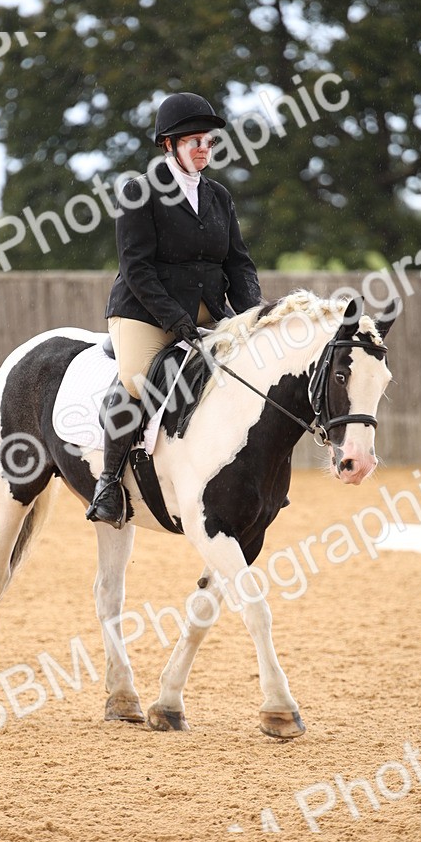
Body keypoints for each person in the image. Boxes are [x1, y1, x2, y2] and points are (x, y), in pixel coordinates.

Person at [85, 91, 263, 528]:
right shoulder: (139, 192)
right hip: (143, 311)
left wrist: (257, 317)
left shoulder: (219, 196)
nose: (204, 149)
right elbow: (137, 268)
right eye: (194, 141)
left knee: (250, 371)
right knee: (138, 380)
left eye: (209, 142)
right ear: (170, 145)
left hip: (205, 309)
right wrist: (175, 320)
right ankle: (108, 482)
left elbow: (237, 262)